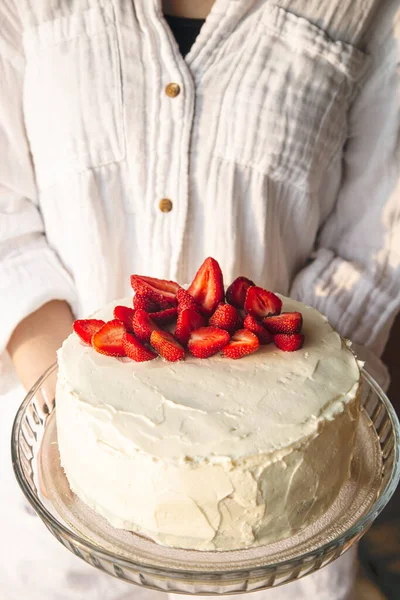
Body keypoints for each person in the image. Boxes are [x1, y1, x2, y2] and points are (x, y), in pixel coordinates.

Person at [1, 0, 399, 598]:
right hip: (57, 528)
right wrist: (71, 415)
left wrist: (283, 410)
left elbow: (374, 252)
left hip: (282, 555)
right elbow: (7, 221)